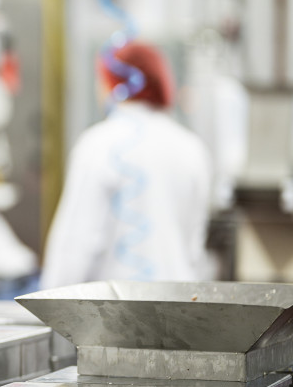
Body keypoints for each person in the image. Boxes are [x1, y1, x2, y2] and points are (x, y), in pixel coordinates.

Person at [40, 40, 212, 289]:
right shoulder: (192, 148)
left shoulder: (98, 144)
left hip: (114, 314)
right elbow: (194, 248)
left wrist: (48, 308)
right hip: (180, 307)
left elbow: (76, 244)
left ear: (113, 83)